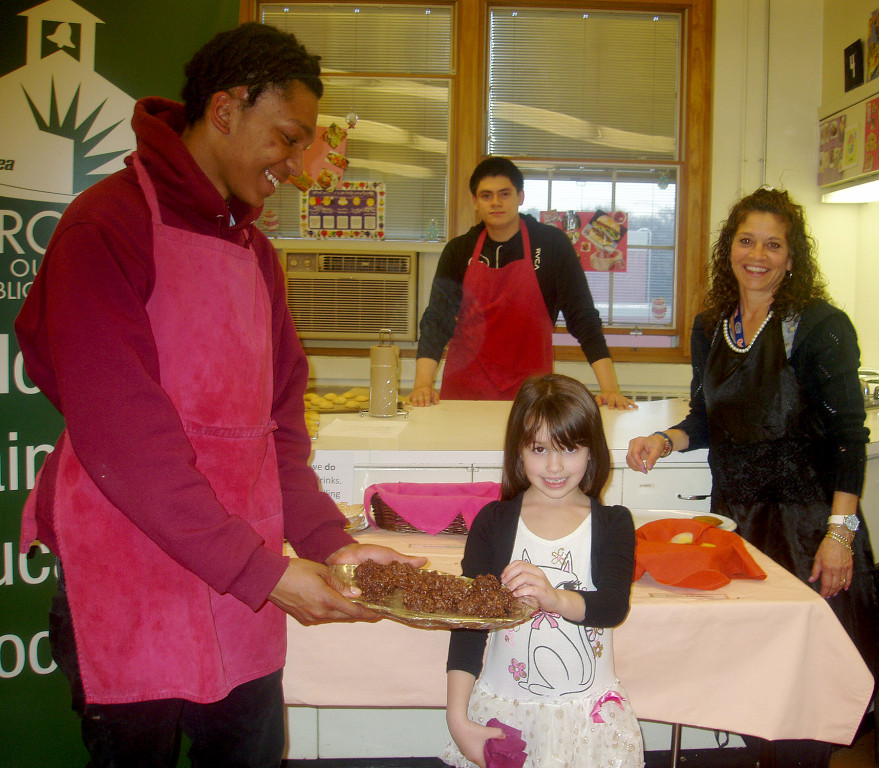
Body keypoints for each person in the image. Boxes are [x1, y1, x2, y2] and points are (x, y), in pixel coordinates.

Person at [16, 23, 424, 767]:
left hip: (242, 582)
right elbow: (126, 446)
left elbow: (278, 438)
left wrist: (335, 547)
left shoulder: (256, 255)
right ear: (228, 109)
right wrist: (264, 572)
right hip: (131, 575)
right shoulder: (105, 227)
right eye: (289, 137)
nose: (299, 165)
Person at [625, 188, 877, 766]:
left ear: (792, 258)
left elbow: (850, 437)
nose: (757, 254)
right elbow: (706, 417)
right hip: (737, 527)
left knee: (805, 692)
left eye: (773, 244)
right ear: (728, 249)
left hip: (807, 528)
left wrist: (841, 534)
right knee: (752, 680)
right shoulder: (712, 324)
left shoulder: (820, 327)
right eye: (746, 240)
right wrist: (665, 441)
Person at [441, 374, 642, 768]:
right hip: (506, 714)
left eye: (569, 448)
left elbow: (613, 606)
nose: (554, 465)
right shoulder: (494, 522)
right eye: (539, 448)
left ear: (591, 451)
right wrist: (456, 717)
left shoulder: (614, 523)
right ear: (518, 450)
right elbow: (467, 625)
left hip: (588, 722)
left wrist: (554, 598)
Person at [411, 156, 635, 409]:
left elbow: (583, 317)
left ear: (520, 196)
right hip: (465, 391)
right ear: (475, 201)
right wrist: (422, 385)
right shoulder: (459, 250)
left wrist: (610, 389)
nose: (496, 202)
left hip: (532, 393)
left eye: (504, 194)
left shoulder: (552, 245)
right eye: (486, 196)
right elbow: (437, 320)